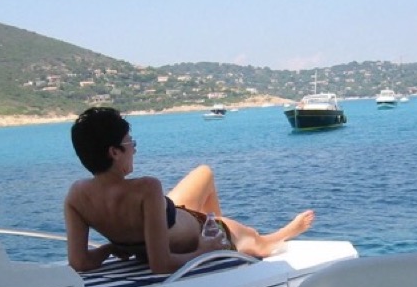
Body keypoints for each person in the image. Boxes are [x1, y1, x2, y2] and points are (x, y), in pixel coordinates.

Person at [65, 107, 315, 274]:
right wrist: (204, 251)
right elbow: (161, 264)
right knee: (257, 242)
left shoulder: (76, 197)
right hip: (188, 234)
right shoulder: (145, 188)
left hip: (173, 217)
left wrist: (110, 248)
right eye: (132, 143)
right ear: (114, 152)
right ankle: (275, 233)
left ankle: (215, 222)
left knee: (204, 173)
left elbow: (79, 262)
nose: (135, 150)